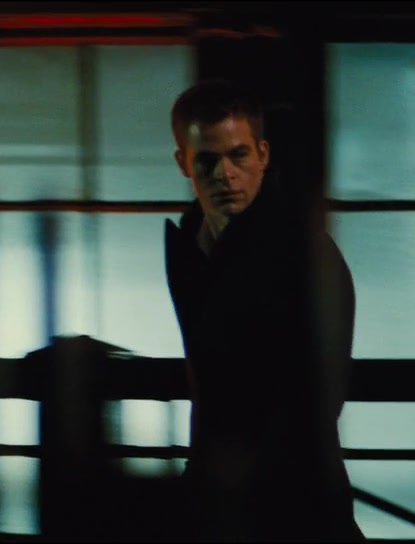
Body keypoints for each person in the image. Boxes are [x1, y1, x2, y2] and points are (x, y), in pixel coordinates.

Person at [162, 79, 365, 542]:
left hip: (292, 499)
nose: (225, 174)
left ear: (263, 155)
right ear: (183, 163)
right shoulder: (191, 246)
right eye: (207, 160)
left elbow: (320, 397)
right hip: (221, 495)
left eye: (238, 155)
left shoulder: (306, 253)